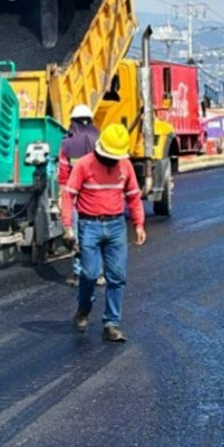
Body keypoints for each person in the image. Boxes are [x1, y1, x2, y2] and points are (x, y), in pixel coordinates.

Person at [60, 123, 147, 343]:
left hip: (116, 225)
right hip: (89, 225)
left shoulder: (125, 165)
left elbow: (133, 196)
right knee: (89, 274)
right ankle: (83, 310)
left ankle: (111, 324)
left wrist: (139, 224)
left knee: (117, 277)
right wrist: (68, 227)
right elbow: (68, 195)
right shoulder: (84, 165)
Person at [60, 104, 99, 287]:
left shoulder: (67, 143)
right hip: (96, 195)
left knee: (76, 235)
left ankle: (78, 273)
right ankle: (98, 273)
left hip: (76, 196)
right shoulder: (100, 140)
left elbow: (63, 173)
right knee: (96, 235)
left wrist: (62, 196)